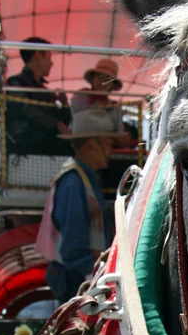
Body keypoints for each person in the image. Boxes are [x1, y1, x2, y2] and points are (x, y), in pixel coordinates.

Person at [35, 109, 125, 303]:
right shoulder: (73, 182)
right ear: (93, 144)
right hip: (77, 280)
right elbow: (74, 249)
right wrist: (95, 275)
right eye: (108, 143)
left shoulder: (82, 179)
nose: (111, 151)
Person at [5, 36, 72, 155]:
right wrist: (56, 125)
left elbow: (64, 123)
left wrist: (64, 104)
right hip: (26, 146)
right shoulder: (15, 83)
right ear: (37, 55)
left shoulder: (46, 92)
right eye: (49, 57)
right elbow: (24, 109)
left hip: (49, 146)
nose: (51, 63)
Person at [71, 59, 125, 134]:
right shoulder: (80, 97)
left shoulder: (115, 107)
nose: (103, 81)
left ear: (112, 84)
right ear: (93, 78)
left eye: (108, 79)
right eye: (100, 76)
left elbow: (119, 131)